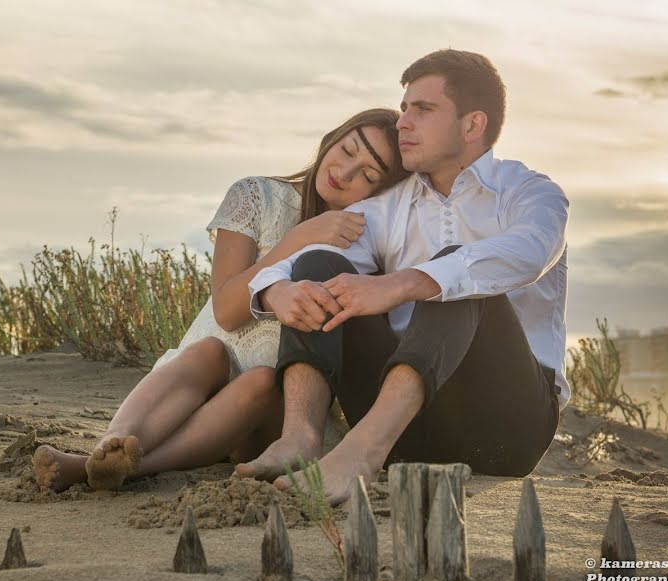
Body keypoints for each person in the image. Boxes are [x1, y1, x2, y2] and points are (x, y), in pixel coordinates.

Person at [240, 49, 570, 506]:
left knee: (458, 274)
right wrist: (278, 290)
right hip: (410, 432)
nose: (403, 123)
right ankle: (300, 439)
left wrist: (403, 283)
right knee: (317, 266)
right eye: (404, 108)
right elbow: (306, 262)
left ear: (473, 125)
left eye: (424, 109)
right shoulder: (388, 207)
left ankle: (361, 452)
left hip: (505, 429)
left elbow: (531, 252)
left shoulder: (530, 193)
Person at [32, 108, 410, 492]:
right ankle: (112, 445)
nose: (345, 173)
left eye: (367, 174)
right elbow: (227, 311)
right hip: (196, 381)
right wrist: (301, 239)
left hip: (271, 411)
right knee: (208, 351)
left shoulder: (364, 239)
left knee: (262, 380)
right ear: (332, 137)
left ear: (380, 192)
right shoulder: (256, 196)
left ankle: (112, 468)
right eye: (347, 150)